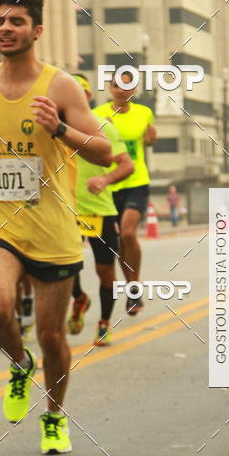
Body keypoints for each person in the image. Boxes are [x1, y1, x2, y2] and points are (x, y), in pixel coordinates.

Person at [0, 0, 112, 454]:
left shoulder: (60, 86)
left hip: (53, 229)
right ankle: (19, 363)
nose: (5, 28)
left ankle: (53, 416)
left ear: (36, 30)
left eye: (16, 21)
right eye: (0, 20)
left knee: (52, 334)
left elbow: (104, 153)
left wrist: (60, 129)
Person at [67, 74, 134, 346]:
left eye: (80, 91)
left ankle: (104, 323)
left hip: (98, 210)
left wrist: (105, 180)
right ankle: (80, 298)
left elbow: (126, 165)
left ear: (88, 97)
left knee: (105, 271)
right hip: (66, 210)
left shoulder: (103, 126)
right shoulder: (52, 127)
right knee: (65, 267)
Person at [93, 70, 156, 316]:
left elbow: (147, 140)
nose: (121, 90)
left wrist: (151, 140)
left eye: (127, 86)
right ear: (110, 88)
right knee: (118, 243)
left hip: (137, 180)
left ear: (134, 90)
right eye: (116, 85)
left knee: (128, 233)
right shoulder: (98, 114)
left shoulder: (144, 113)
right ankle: (132, 290)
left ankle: (134, 286)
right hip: (111, 184)